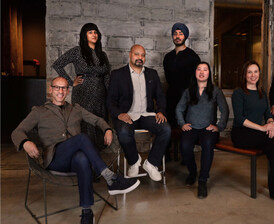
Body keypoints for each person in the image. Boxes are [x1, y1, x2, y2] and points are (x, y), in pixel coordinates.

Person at [11, 77, 139, 224]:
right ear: (50, 89)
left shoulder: (76, 109)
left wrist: (107, 129)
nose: (61, 91)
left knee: (82, 159)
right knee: (82, 138)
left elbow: (97, 120)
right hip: (55, 160)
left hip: (74, 161)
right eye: (57, 87)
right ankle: (111, 178)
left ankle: (86, 212)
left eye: (64, 88)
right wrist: (25, 142)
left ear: (67, 91)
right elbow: (17, 132)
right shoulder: (39, 111)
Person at [107, 44, 171, 182]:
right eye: (137, 54)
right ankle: (134, 160)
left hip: (147, 115)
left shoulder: (152, 74)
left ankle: (151, 163)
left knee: (166, 129)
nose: (140, 58)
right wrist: (119, 114)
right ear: (130, 54)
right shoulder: (118, 74)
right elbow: (110, 100)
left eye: (142, 55)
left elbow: (160, 96)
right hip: (127, 115)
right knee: (123, 132)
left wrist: (160, 111)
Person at [231, 60, 274, 204]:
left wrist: (271, 123)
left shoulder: (261, 92)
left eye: (256, 71)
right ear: (245, 75)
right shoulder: (238, 93)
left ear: (259, 74)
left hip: (257, 133)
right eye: (250, 72)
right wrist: (263, 128)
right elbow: (240, 119)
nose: (253, 75)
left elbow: (267, 113)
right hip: (241, 134)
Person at [52, 23, 111, 150]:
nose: (94, 35)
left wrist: (109, 94)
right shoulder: (77, 51)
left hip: (100, 94)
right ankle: (86, 154)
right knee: (86, 123)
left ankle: (97, 157)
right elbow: (57, 64)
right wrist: (69, 82)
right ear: (84, 35)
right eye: (90, 32)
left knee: (99, 123)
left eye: (95, 32)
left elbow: (107, 75)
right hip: (83, 93)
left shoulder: (102, 54)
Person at [176, 62, 229, 199]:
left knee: (207, 145)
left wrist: (219, 126)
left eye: (205, 70)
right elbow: (179, 108)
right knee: (185, 146)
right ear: (195, 73)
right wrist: (182, 123)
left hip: (207, 128)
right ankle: (193, 172)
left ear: (209, 73)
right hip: (191, 127)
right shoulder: (188, 91)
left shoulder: (216, 91)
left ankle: (202, 180)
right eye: (199, 69)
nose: (202, 72)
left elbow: (225, 110)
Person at [163, 22, 201, 128]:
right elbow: (168, 79)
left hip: (187, 99)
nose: (177, 36)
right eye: (175, 33)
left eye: (180, 33)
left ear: (185, 36)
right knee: (170, 129)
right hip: (171, 99)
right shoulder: (168, 57)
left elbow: (197, 81)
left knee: (185, 130)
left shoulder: (193, 57)